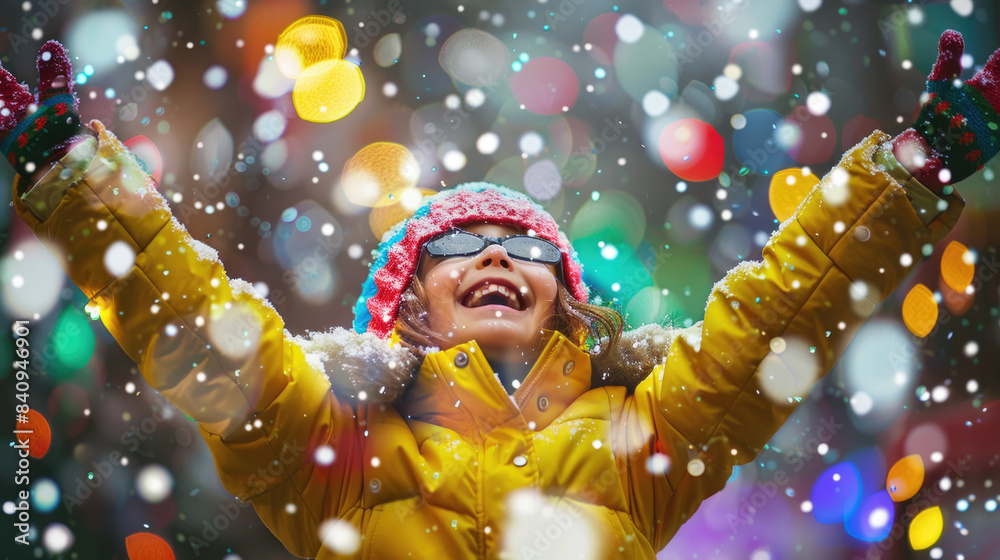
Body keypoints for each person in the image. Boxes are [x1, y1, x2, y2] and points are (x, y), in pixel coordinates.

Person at [3, 29, 997, 559]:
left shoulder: (645, 437)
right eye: (462, 243)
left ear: (561, 300)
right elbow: (204, 335)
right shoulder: (333, 449)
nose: (498, 255)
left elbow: (778, 312)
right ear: (413, 302)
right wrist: (80, 185)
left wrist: (903, 174)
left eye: (527, 247)